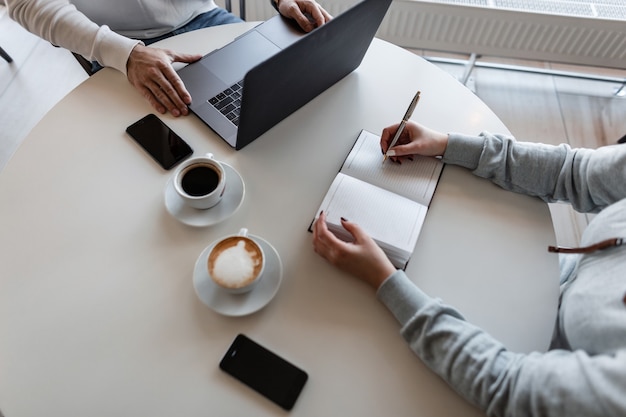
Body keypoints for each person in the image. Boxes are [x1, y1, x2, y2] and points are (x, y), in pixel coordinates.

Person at [312, 120, 626, 416]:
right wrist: (446, 144)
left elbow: (506, 386)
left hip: (530, 366)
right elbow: (570, 172)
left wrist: (384, 279)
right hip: (555, 278)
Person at [6, 0, 331, 117]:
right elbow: (26, 3)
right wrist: (126, 54)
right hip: (118, 47)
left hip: (202, 16)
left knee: (290, 96)